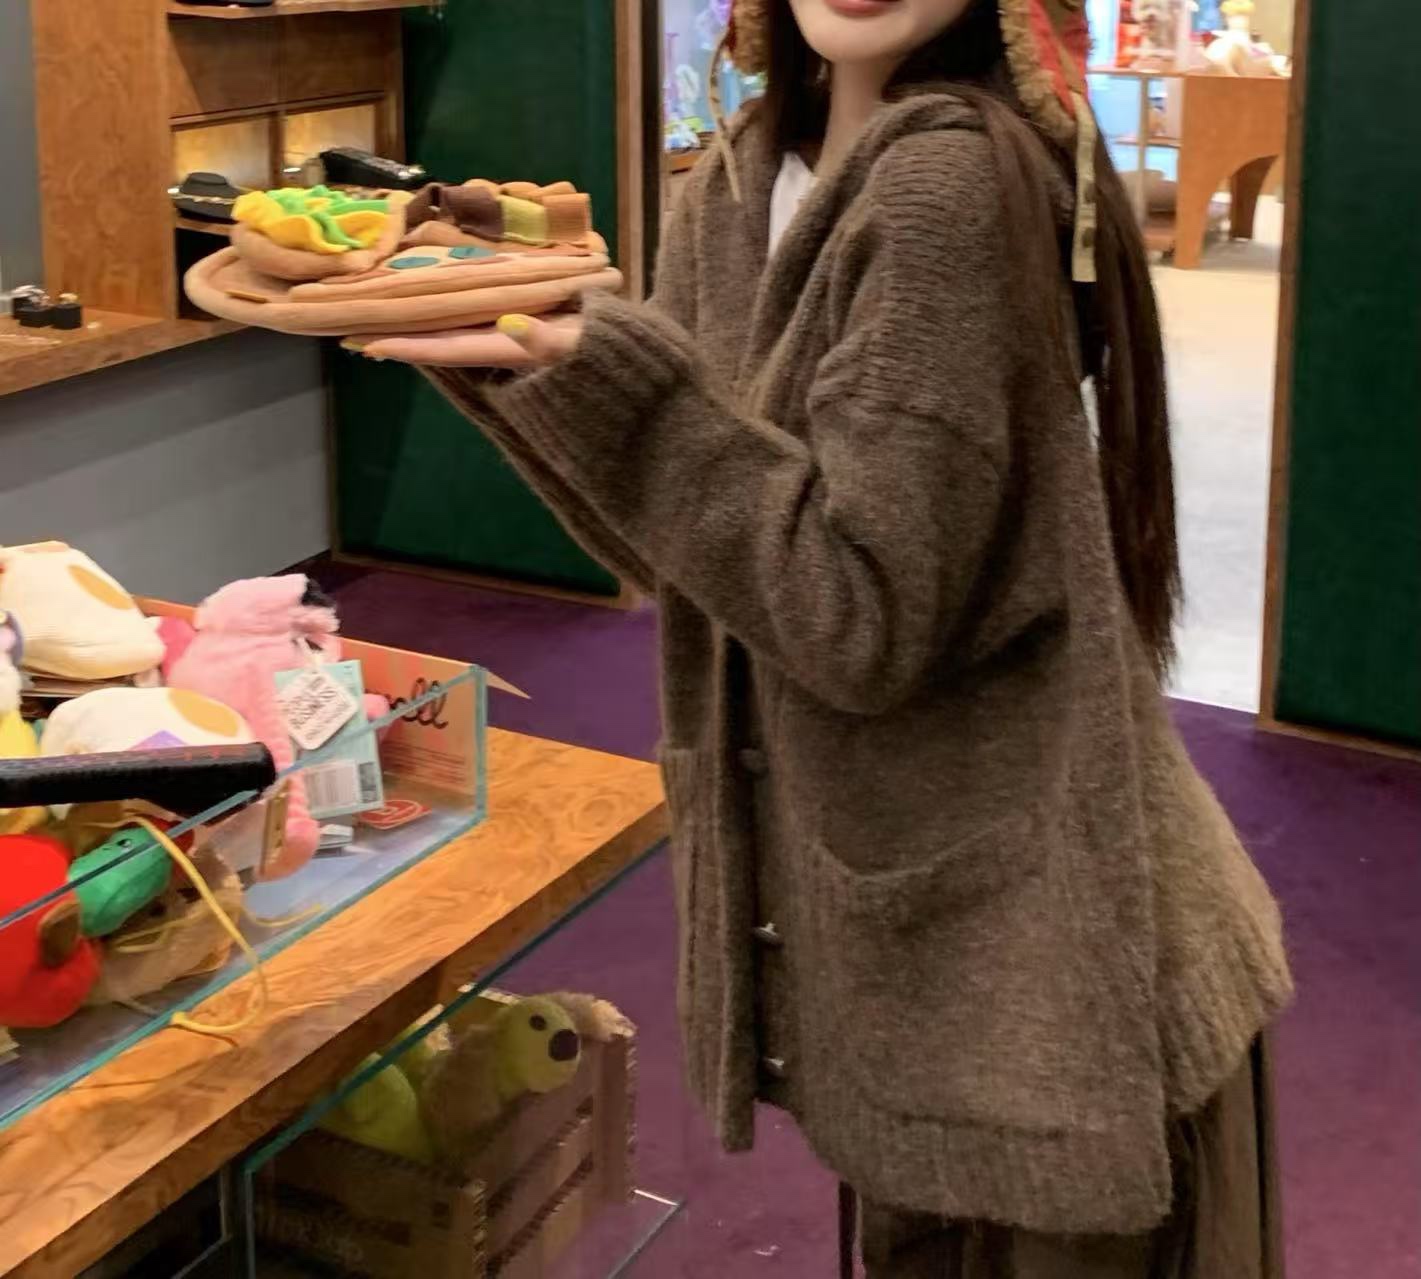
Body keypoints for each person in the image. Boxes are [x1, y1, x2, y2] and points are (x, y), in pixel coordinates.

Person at [363, 0, 1294, 1273]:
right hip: (917, 965)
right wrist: (518, 358)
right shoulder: (735, 182)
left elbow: (857, 614)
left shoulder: (948, 185)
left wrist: (612, 381)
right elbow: (702, 560)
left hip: (1057, 975)